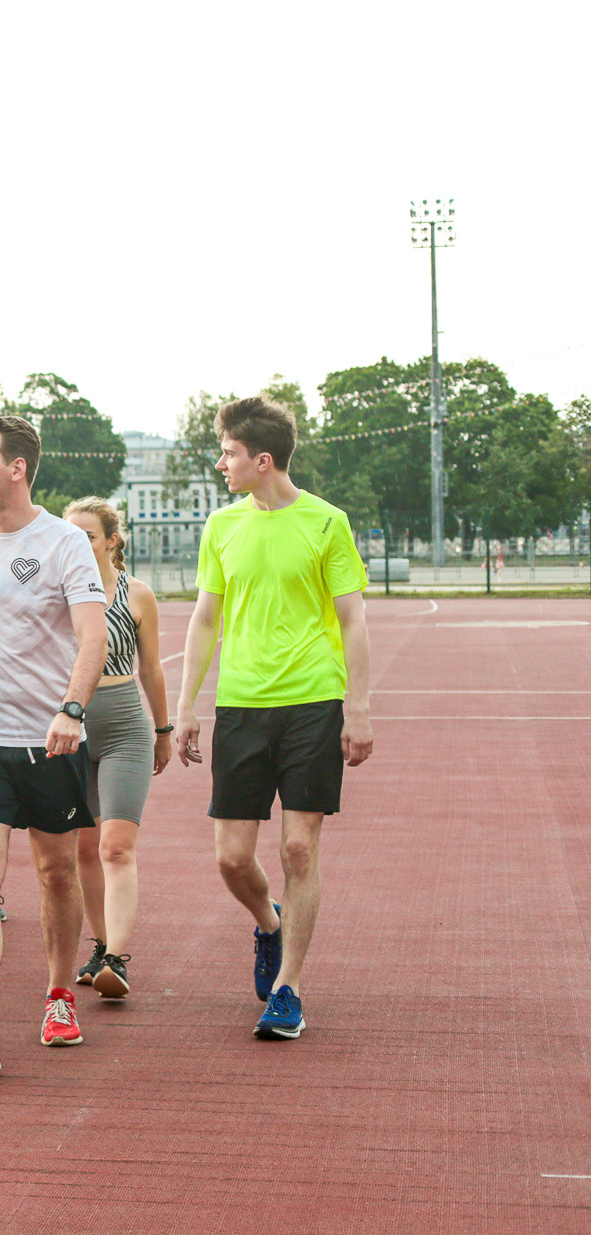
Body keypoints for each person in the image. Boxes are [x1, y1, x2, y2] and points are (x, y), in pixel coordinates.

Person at [173, 396, 372, 1041]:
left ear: (262, 460)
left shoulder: (326, 523)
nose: (221, 462)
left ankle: (287, 988)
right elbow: (205, 620)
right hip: (241, 706)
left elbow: (352, 618)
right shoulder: (222, 526)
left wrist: (358, 707)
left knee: (296, 845)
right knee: (232, 859)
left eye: (229, 453)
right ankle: (269, 922)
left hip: (313, 702)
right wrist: (186, 707)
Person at [0, 417, 108, 1076]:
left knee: (55, 872)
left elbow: (91, 637)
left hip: (51, 739)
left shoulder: (65, 543)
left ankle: (60, 993)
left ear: (18, 469)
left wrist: (71, 708)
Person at [63, 498, 170, 999]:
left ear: (110, 540)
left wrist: (164, 730)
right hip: (71, 727)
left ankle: (118, 959)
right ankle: (99, 943)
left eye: (87, 535)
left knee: (116, 845)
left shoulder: (138, 594)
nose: (77, 544)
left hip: (124, 723)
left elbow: (151, 669)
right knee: (85, 846)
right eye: (70, 535)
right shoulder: (55, 592)